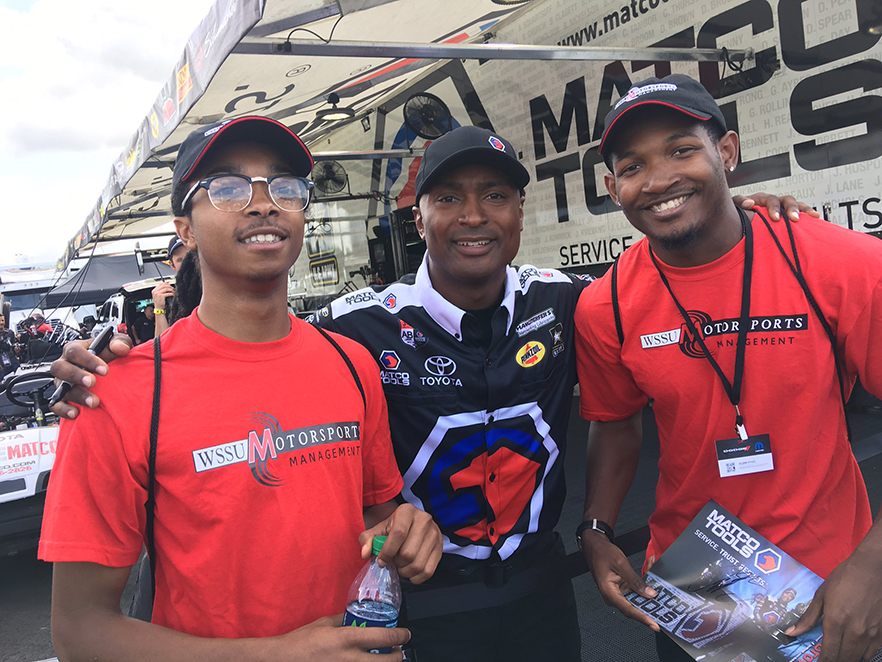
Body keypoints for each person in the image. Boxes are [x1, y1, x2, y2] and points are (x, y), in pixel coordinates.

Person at [50, 123, 809, 661]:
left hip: (543, 592)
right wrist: (105, 366)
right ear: (419, 218)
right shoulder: (355, 330)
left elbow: (668, 285)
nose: (474, 216)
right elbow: (242, 350)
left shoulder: (573, 302)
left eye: (496, 197)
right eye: (448, 199)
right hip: (419, 609)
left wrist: (748, 220)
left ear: (521, 213)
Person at [39, 116, 442, 662]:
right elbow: (80, 633)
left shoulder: (352, 365)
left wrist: (406, 531)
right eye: (228, 188)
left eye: (284, 187)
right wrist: (280, 654)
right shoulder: (115, 393)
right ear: (184, 228)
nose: (263, 203)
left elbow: (372, 521)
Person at [574, 74, 882, 662]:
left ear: (728, 152)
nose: (660, 179)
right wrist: (596, 528)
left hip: (832, 584)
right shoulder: (605, 304)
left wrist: (873, 566)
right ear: (613, 187)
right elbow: (614, 420)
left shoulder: (839, 264)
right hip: (695, 589)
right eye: (633, 166)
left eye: (682, 150)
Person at [152, 236, 190, 337]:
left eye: (191, 256)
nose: (187, 263)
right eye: (180, 260)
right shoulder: (170, 298)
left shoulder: (218, 289)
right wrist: (159, 309)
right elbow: (162, 345)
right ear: (172, 265)